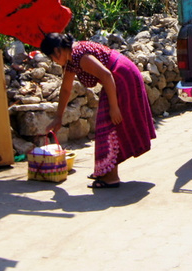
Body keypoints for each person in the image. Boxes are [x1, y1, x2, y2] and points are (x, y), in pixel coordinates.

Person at [42, 33, 156, 188]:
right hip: (117, 78)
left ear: (57, 51)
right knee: (106, 123)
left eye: (51, 57)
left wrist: (114, 108)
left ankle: (111, 177)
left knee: (108, 125)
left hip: (122, 77)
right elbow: (65, 90)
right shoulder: (71, 60)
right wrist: (58, 117)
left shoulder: (80, 56)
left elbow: (107, 76)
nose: (53, 61)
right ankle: (105, 170)